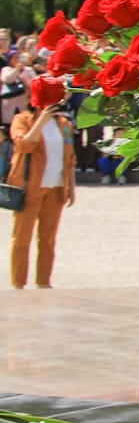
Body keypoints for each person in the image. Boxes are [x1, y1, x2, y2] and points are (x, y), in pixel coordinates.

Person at [8, 83, 77, 289]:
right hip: (29, 187)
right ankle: (18, 283)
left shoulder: (64, 124)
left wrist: (71, 187)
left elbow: (70, 158)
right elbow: (24, 145)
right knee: (22, 238)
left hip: (55, 188)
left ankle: (44, 282)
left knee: (48, 239)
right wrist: (41, 121)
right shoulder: (22, 119)